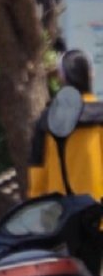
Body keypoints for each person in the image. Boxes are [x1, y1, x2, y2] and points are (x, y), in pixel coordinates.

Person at [28, 48, 103, 198]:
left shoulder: (47, 120)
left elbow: (38, 174)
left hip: (63, 215)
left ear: (61, 77)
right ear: (91, 75)